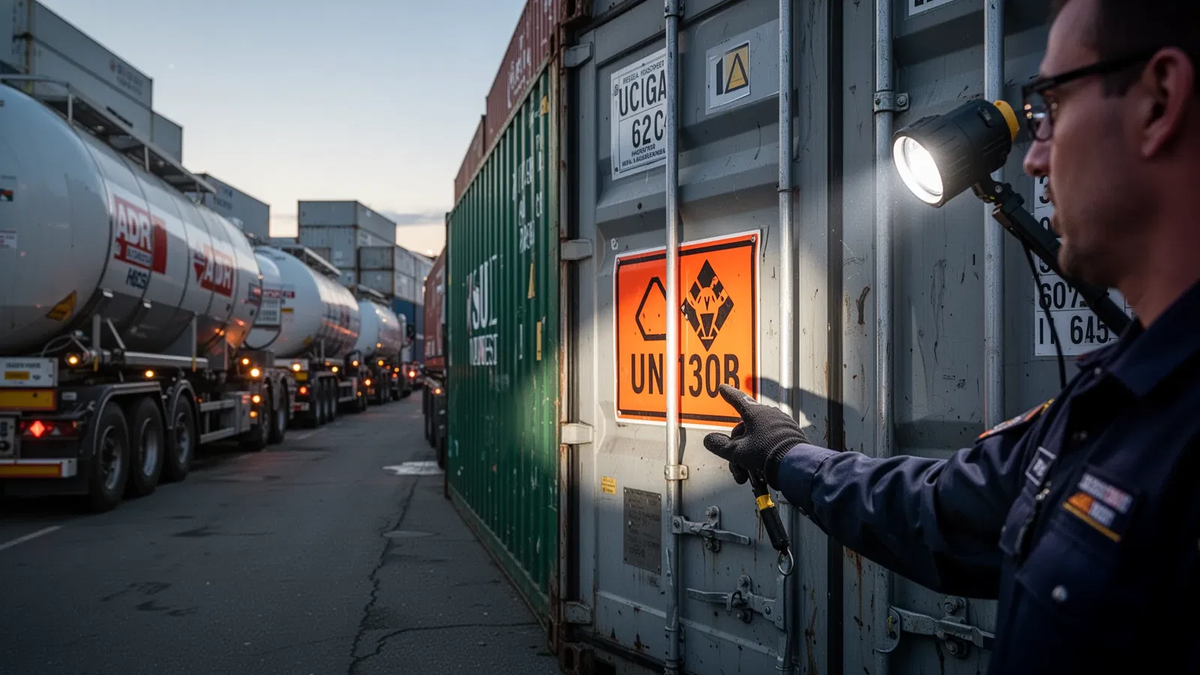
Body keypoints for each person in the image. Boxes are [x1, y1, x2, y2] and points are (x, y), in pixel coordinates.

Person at [702, 0, 1200, 673]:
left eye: (1051, 106)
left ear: (1157, 100)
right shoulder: (1106, 402)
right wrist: (786, 455)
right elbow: (938, 509)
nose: (1034, 160)